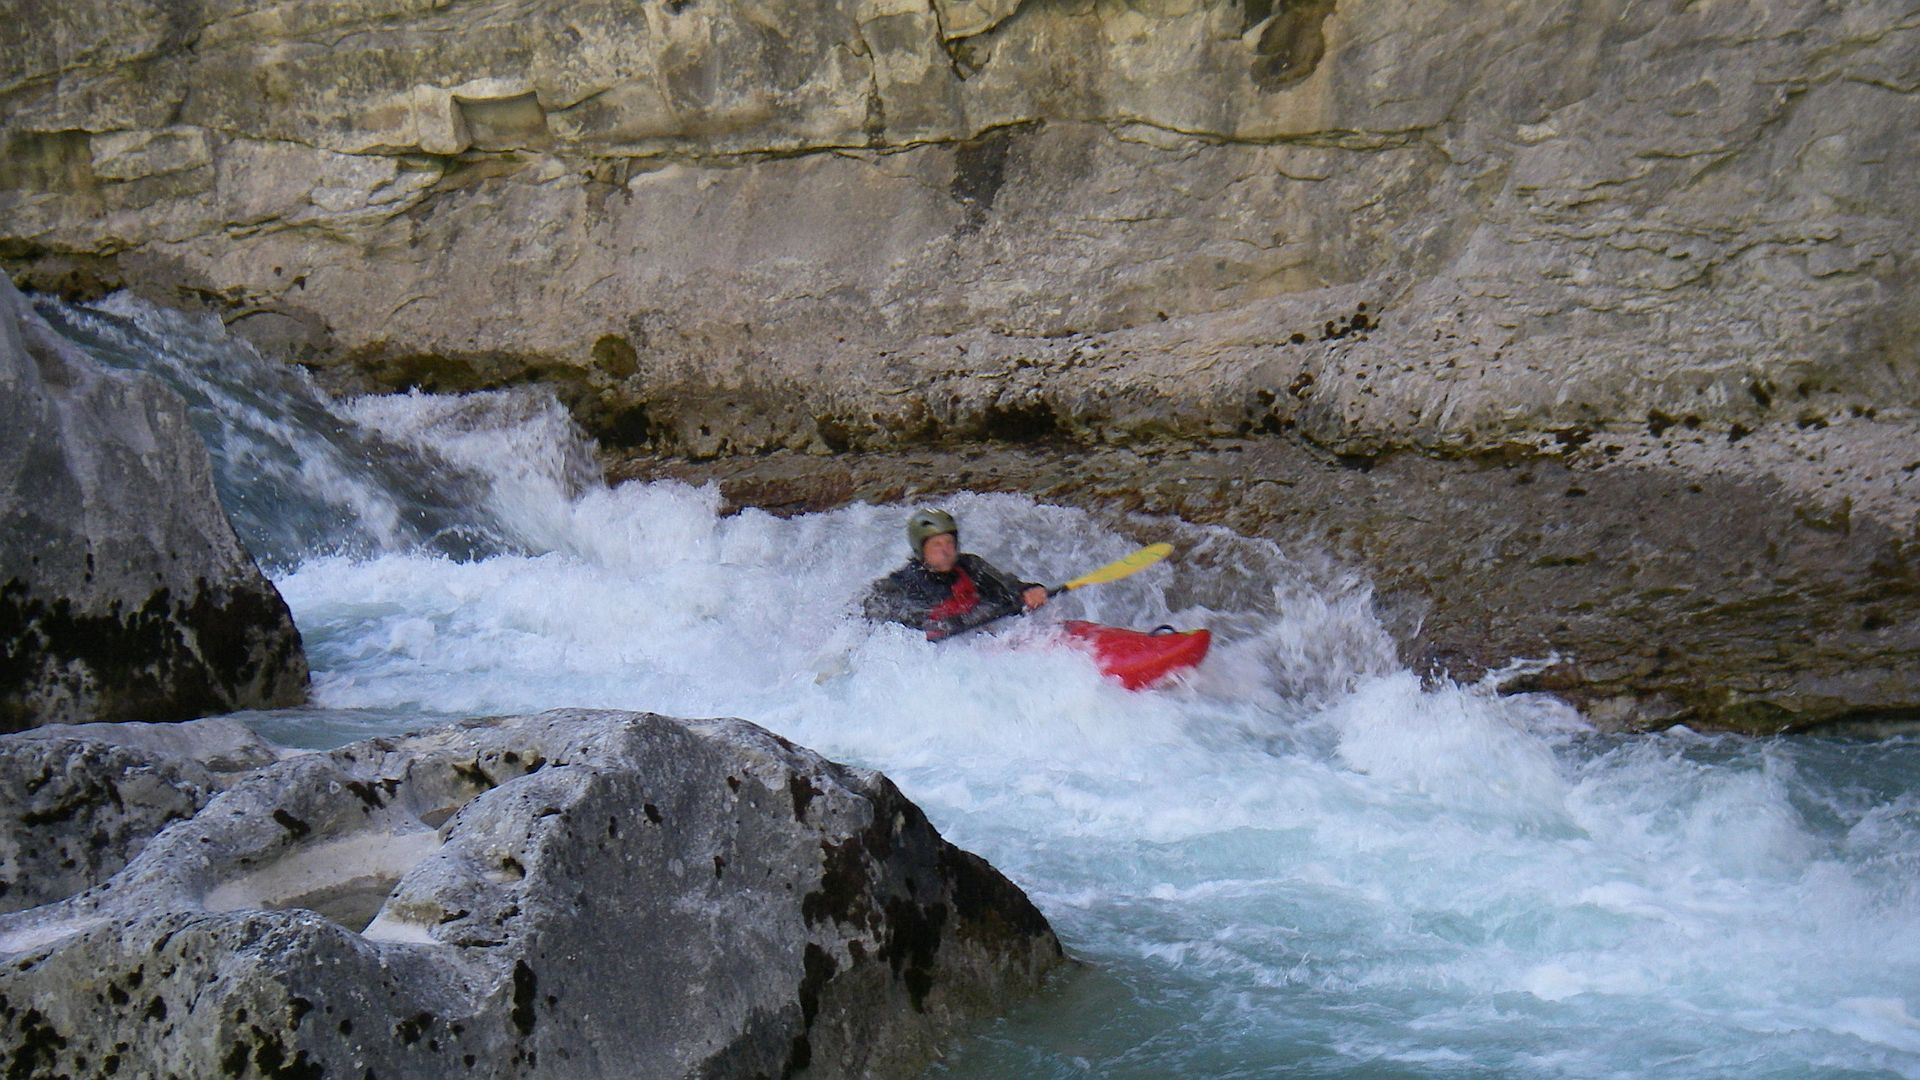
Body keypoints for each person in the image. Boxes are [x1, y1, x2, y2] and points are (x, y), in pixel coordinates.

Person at [863, 508, 1049, 640]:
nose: (946, 551)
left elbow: (1007, 588)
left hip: (982, 641)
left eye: (949, 543)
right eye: (937, 545)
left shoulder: (971, 567)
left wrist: (1029, 591)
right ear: (920, 549)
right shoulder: (903, 584)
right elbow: (873, 611)